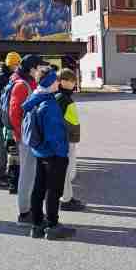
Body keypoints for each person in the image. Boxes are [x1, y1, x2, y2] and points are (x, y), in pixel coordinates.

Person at [22, 69, 75, 240]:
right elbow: (55, 135)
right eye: (54, 81)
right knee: (54, 190)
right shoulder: (50, 105)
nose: (58, 83)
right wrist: (63, 154)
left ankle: (37, 225)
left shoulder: (35, 98)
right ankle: (53, 225)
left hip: (39, 151)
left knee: (39, 188)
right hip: (54, 154)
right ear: (48, 83)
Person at [8, 54, 45, 225]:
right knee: (27, 175)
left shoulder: (28, 82)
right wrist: (23, 135)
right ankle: (24, 213)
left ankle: (30, 209)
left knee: (32, 174)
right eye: (39, 67)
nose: (41, 70)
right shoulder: (22, 86)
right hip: (26, 138)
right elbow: (14, 114)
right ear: (31, 69)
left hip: (29, 136)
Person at [56, 68, 85, 211]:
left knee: (68, 169)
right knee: (66, 170)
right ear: (62, 81)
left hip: (68, 138)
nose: (74, 83)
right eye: (71, 80)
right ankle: (66, 199)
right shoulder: (62, 98)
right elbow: (59, 120)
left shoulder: (64, 97)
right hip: (66, 139)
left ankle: (66, 196)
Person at [0, 52, 21, 186]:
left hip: (4, 118)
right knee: (3, 148)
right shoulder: (4, 78)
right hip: (1, 119)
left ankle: (7, 174)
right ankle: (0, 176)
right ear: (12, 64)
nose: (19, 66)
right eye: (17, 64)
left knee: (8, 148)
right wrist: (0, 113)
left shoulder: (7, 77)